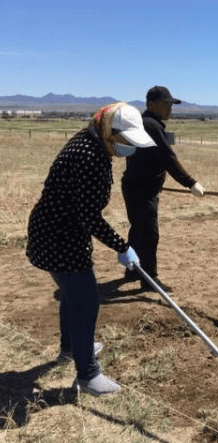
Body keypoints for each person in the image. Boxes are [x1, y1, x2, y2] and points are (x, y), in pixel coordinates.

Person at [26, 102, 155, 396]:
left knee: (74, 296)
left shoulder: (91, 144)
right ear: (111, 131)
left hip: (56, 231)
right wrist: (122, 246)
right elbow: (88, 215)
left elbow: (83, 211)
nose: (129, 148)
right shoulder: (89, 156)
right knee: (85, 301)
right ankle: (88, 374)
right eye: (127, 141)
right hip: (60, 237)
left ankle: (72, 348)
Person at [122, 86, 205, 293]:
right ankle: (149, 279)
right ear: (152, 104)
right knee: (149, 233)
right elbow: (167, 158)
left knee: (138, 229)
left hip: (136, 185)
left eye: (170, 104)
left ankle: (133, 269)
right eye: (166, 104)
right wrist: (190, 182)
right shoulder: (151, 125)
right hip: (142, 189)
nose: (170, 108)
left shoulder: (146, 123)